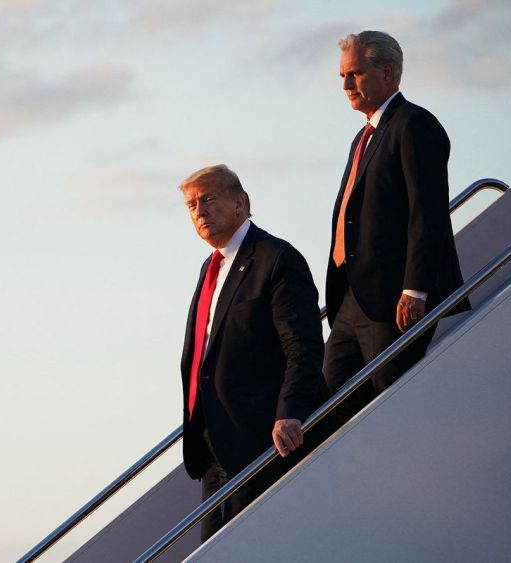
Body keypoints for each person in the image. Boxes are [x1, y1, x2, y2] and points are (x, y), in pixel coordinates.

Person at [324, 31, 469, 422]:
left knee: (393, 406)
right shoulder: (363, 136)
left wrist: (414, 288)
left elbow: (429, 211)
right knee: (330, 408)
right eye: (342, 76)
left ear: (387, 72)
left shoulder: (414, 124)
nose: (345, 85)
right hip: (350, 297)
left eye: (354, 74)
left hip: (392, 298)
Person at [178, 164, 328, 542]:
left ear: (241, 202)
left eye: (208, 199)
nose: (200, 211)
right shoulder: (208, 268)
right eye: (192, 206)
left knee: (255, 547)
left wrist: (291, 412)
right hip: (213, 445)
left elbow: (303, 346)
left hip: (260, 439)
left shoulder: (275, 258)